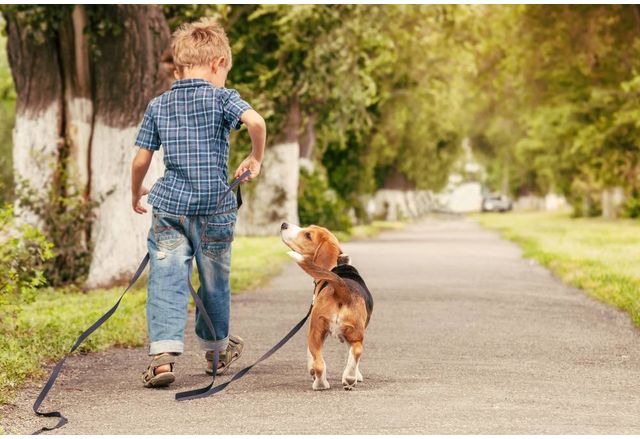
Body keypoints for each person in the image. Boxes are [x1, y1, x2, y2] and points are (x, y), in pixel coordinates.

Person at [130, 17, 266, 388]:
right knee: (214, 282)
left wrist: (135, 191)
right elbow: (256, 122)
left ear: (180, 64)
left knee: (166, 278)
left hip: (170, 209)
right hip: (216, 208)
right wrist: (255, 158)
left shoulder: (159, 105)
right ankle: (216, 354)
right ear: (218, 63)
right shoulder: (223, 97)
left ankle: (162, 359)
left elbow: (141, 159)